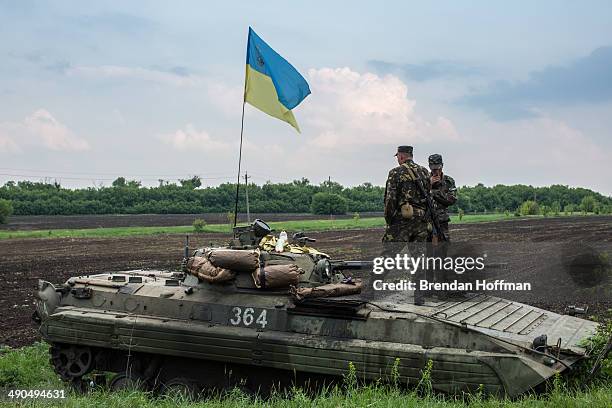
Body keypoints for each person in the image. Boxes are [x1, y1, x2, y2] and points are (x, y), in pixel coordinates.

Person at [382, 146, 431, 242]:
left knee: (389, 254)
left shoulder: (395, 172)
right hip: (421, 221)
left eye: (397, 157)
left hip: (403, 219)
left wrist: (389, 220)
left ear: (401, 156)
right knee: (418, 255)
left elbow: (390, 199)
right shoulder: (425, 172)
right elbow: (429, 195)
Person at [428, 154, 457, 241]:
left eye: (437, 168)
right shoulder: (424, 179)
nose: (435, 171)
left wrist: (433, 192)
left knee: (443, 248)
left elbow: (452, 200)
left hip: (442, 221)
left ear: (442, 165)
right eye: (433, 168)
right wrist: (429, 185)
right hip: (426, 221)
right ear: (429, 166)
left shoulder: (448, 181)